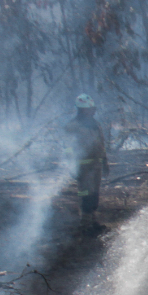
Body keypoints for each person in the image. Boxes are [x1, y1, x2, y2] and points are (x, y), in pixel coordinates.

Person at [64, 93, 109, 234]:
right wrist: (71, 165)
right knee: (86, 194)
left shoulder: (95, 124)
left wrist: (105, 161)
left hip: (96, 164)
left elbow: (101, 144)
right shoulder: (72, 126)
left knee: (94, 194)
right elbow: (68, 148)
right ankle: (84, 224)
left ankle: (93, 221)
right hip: (83, 166)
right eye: (90, 108)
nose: (93, 111)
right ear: (82, 109)